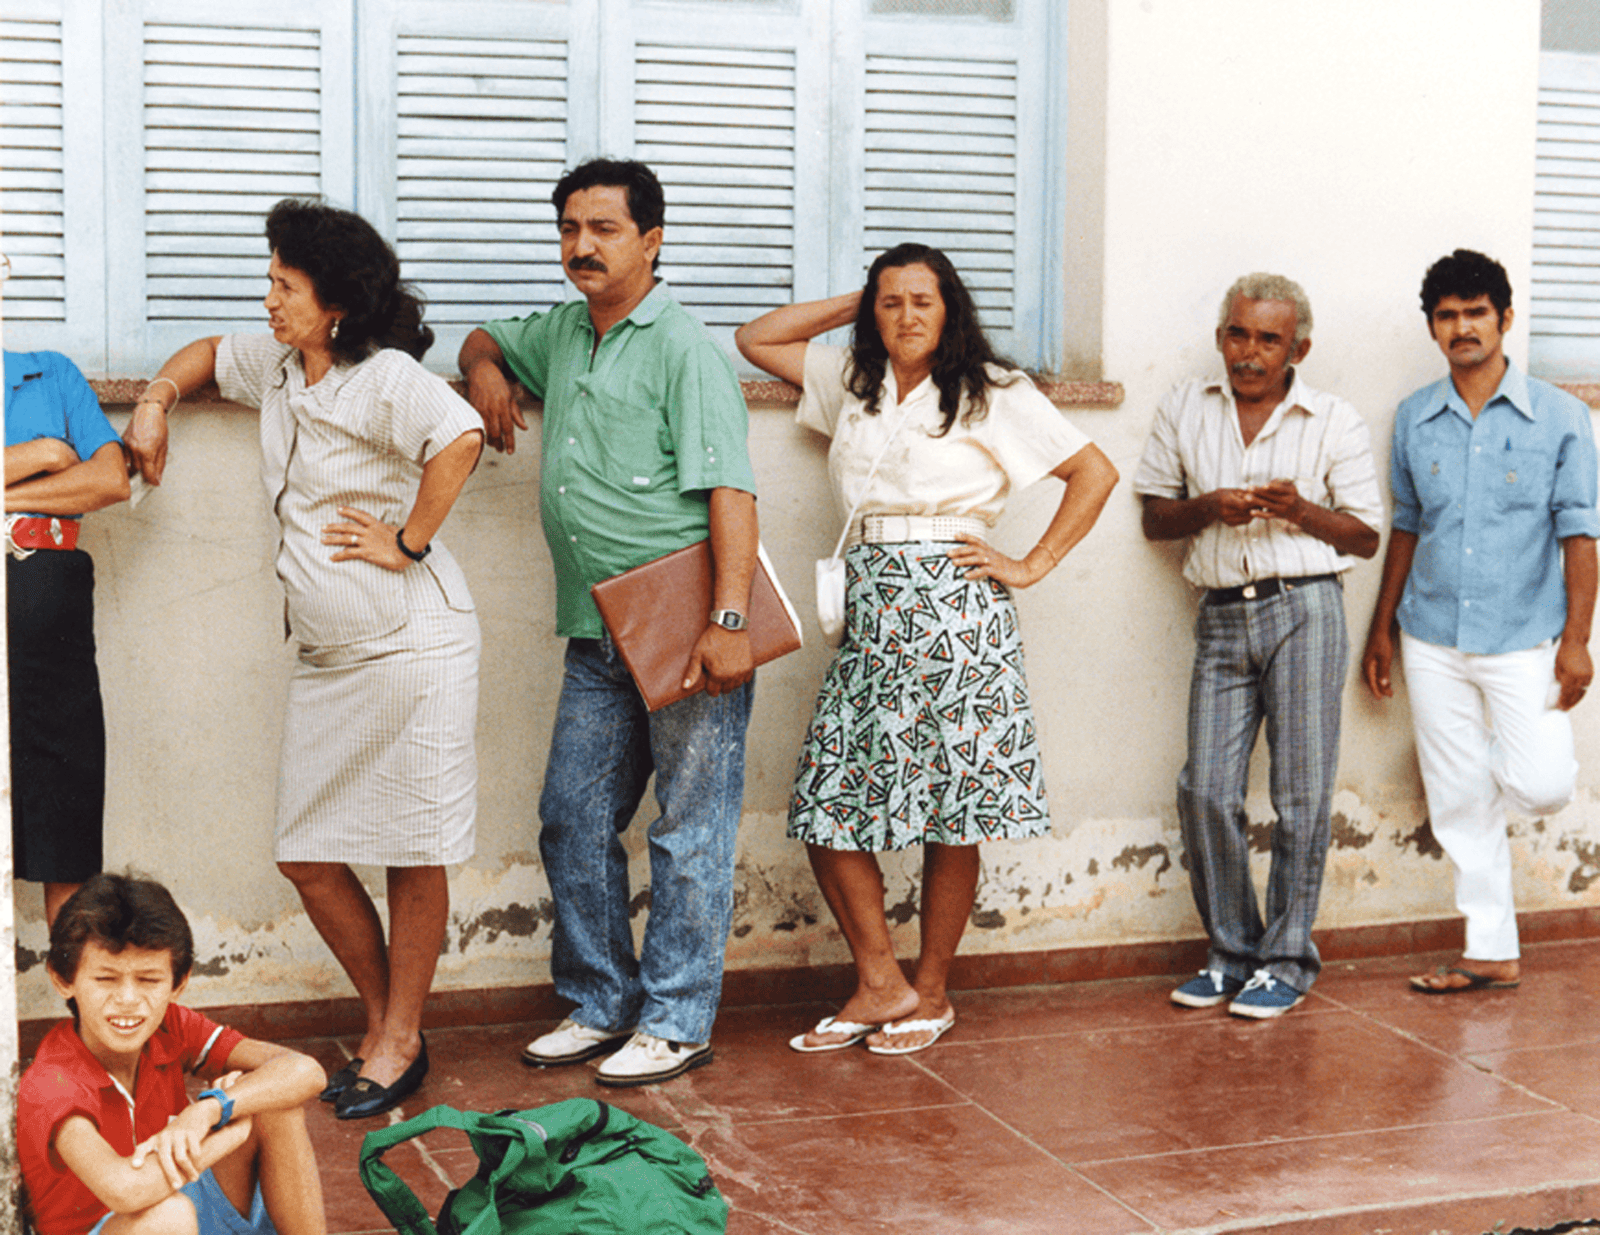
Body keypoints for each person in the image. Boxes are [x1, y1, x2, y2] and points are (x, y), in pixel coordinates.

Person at [121, 199, 485, 1119]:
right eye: (271, 280)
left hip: (412, 648)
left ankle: (396, 1039)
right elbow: (205, 351)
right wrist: (158, 402)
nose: (269, 298)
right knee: (307, 851)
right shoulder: (284, 367)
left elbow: (461, 437)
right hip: (332, 657)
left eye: (286, 285)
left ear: (337, 306)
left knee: (414, 846)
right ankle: (388, 1023)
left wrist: (407, 540)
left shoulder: (385, 377)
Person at [736, 243, 1118, 1054]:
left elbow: (1094, 472)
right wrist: (859, 299)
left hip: (957, 611)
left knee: (955, 806)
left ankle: (932, 990)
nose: (907, 317)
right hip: (873, 604)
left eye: (923, 301)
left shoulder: (994, 391)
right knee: (831, 798)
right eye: (892, 302)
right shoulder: (853, 382)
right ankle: (881, 980)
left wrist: (1030, 563)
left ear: (952, 310)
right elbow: (757, 337)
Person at [458, 158, 758, 1086]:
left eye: (605, 230)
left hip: (682, 618)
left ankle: (676, 1016)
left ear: (653, 241)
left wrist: (730, 617)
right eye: (569, 229)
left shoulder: (685, 348)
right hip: (595, 628)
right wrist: (485, 375)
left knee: (689, 827)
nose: (581, 247)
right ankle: (602, 999)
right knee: (570, 818)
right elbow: (482, 336)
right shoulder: (561, 333)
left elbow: (731, 490)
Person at [1132, 273, 1382, 1018]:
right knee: (1205, 788)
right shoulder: (1185, 405)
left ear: (1298, 347)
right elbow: (1154, 518)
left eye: (1268, 339)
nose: (1250, 352)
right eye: (1239, 334)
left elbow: (1364, 536)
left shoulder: (1333, 419)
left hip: (1305, 608)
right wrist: (1209, 508)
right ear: (1220, 337)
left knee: (1301, 795)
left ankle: (1286, 959)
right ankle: (1232, 953)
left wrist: (1300, 511)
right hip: (1220, 614)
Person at [1362, 249, 1598, 994]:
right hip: (1429, 631)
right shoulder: (1414, 417)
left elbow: (1580, 535)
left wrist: (1576, 643)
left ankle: (1467, 774)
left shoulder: (1562, 417)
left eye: (1475, 313)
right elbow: (1406, 526)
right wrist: (1381, 628)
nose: (1462, 327)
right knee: (1459, 803)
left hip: (1523, 635)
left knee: (1544, 782)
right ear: (1432, 327)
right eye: (1447, 316)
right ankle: (1490, 948)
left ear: (1505, 318)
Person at [19, 873, 327, 1235]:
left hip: (178, 1196)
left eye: (148, 980)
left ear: (177, 984)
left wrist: (210, 1108)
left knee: (274, 1102)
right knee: (169, 1216)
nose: (129, 999)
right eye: (106, 979)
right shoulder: (51, 1081)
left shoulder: (169, 1026)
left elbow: (306, 1071)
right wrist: (229, 1130)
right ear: (62, 979)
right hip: (120, 1225)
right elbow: (126, 1191)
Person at [5, 350, 131, 927]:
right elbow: (69, 463)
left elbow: (109, 478)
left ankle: (77, 1010)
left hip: (49, 602)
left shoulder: (48, 372)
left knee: (67, 816)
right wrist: (46, 457)